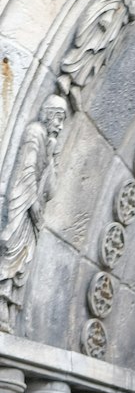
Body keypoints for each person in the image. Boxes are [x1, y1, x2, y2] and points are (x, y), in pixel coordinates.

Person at [0, 95, 68, 330]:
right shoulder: (34, 132)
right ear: (47, 114)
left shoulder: (48, 141)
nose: (60, 126)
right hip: (23, 207)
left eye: (63, 121)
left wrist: (52, 157)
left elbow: (51, 189)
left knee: (23, 260)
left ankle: (6, 309)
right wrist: (35, 207)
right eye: (58, 119)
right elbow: (27, 173)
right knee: (12, 254)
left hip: (32, 215)